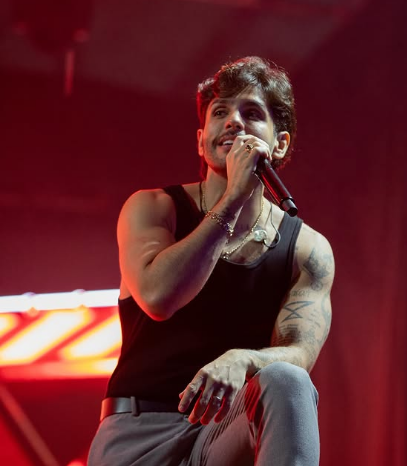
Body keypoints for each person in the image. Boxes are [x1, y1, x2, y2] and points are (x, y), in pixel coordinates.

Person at [87, 56, 334, 466]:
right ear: (201, 141)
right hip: (139, 434)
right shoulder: (154, 208)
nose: (233, 122)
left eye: (251, 113)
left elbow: (299, 354)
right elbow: (159, 297)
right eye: (220, 112)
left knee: (286, 379)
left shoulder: (307, 248)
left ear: (279, 144)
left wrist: (245, 357)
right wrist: (234, 198)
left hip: (223, 433)